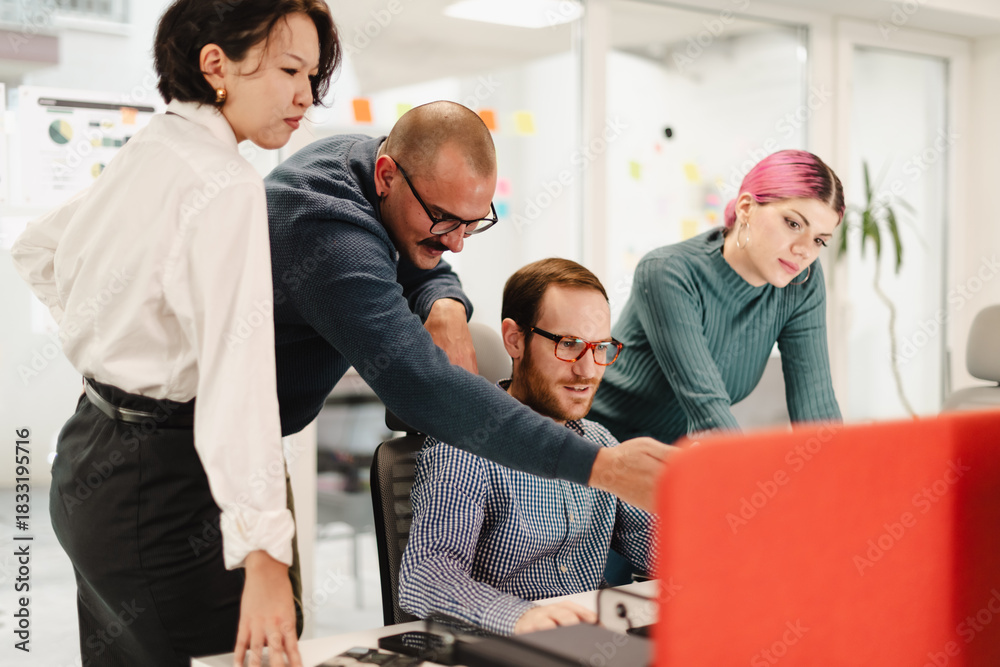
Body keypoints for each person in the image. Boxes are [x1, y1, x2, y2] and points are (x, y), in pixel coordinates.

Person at [10, 2, 339, 665]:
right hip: (165, 483)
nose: (306, 95)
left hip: (90, 456)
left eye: (314, 76)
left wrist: (119, 344)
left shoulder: (155, 148)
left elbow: (36, 249)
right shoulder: (227, 184)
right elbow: (235, 381)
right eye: (288, 69)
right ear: (215, 64)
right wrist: (266, 558)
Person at [264, 102, 669, 512]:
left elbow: (425, 266)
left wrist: (446, 306)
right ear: (386, 175)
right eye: (442, 217)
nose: (456, 243)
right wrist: (602, 468)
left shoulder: (366, 171)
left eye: (472, 224)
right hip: (213, 444)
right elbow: (426, 389)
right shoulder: (333, 236)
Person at [398, 258, 658, 635]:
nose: (588, 371)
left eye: (600, 348)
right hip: (501, 648)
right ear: (515, 340)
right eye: (569, 345)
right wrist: (522, 617)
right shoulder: (465, 447)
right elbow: (426, 576)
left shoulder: (601, 443)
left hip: (586, 644)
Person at [589, 149, 844, 446]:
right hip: (595, 446)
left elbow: (817, 409)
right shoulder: (668, 272)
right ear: (746, 207)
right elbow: (707, 413)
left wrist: (843, 481)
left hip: (675, 457)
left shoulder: (801, 281)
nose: (805, 251)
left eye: (819, 241)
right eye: (793, 223)